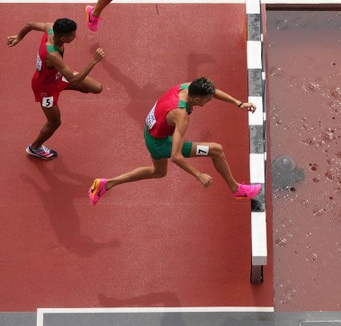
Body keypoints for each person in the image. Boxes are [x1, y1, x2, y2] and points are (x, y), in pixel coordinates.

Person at [88, 77, 261, 205]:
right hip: (159, 144)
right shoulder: (182, 116)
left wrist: (238, 103)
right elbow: (176, 156)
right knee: (216, 150)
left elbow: (213, 92)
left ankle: (107, 183)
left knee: (158, 172)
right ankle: (235, 189)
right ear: (198, 99)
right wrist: (198, 175)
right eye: (208, 100)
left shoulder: (184, 88)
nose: (210, 101)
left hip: (151, 132)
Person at [7, 18, 105, 160]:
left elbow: (30, 24)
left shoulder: (52, 28)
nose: (75, 36)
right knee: (55, 122)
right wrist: (94, 61)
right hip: (45, 88)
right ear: (63, 38)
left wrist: (18, 37)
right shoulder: (52, 55)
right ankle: (35, 148)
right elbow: (74, 80)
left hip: (58, 77)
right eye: (73, 35)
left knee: (97, 88)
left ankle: (62, 88)